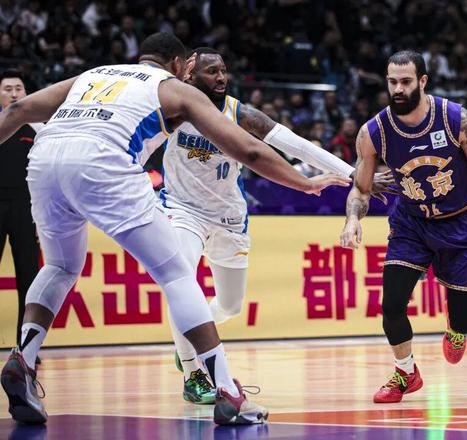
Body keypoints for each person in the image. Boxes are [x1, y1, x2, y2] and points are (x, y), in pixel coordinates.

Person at [0, 32, 348, 426]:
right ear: (181, 65)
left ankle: (23, 360)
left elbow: (19, 109)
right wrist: (305, 184)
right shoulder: (172, 88)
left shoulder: (94, 74)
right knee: (178, 275)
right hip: (104, 162)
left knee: (60, 267)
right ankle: (227, 391)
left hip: (45, 159)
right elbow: (249, 150)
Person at [162, 47, 390, 404]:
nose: (221, 77)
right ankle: (193, 372)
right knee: (182, 283)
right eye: (211, 71)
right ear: (190, 75)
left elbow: (297, 145)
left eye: (223, 70)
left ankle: (191, 337)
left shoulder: (239, 113)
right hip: (182, 209)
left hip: (227, 217)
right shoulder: (171, 108)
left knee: (230, 306)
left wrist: (354, 175)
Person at [340, 51, 467, 404]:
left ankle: (456, 330)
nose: (397, 89)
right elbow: (361, 190)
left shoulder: (455, 118)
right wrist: (352, 219)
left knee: (464, 317)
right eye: (392, 82)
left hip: (462, 224)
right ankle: (406, 373)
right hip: (412, 224)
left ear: (422, 81)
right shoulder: (373, 132)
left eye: (405, 81)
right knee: (391, 304)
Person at [0, 69, 41, 352]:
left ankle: (25, 349)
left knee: (29, 279)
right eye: (8, 89)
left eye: (19, 88)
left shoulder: (37, 128)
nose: (14, 94)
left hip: (26, 210)